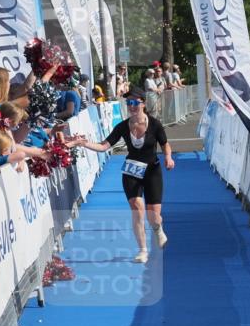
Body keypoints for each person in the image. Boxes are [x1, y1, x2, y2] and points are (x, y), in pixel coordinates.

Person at [69, 91, 174, 264]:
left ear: (143, 103)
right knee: (137, 207)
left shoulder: (154, 124)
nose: (131, 106)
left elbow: (165, 144)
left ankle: (157, 228)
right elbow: (104, 146)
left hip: (152, 171)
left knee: (153, 216)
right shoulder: (123, 126)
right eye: (128, 103)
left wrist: (168, 157)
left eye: (134, 102)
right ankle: (142, 250)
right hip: (131, 171)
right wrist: (83, 143)